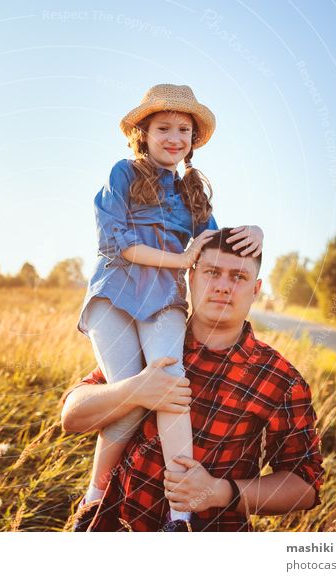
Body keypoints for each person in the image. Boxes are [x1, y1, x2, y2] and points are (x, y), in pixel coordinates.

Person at [75, 84, 263, 528]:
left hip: (164, 301)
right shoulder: (123, 173)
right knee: (133, 398)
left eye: (184, 129)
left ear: (193, 140)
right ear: (144, 132)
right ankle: (95, 498)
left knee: (171, 388)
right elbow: (114, 243)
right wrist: (179, 259)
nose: (174, 137)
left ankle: (179, 516)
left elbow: (216, 244)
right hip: (115, 296)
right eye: (164, 128)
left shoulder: (192, 191)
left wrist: (256, 231)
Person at [63, 229, 324, 531]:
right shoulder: (151, 342)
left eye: (238, 277)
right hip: (113, 525)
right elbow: (72, 415)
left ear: (256, 290)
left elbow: (306, 485)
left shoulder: (280, 378)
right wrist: (133, 391)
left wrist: (219, 491)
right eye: (212, 272)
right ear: (190, 278)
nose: (223, 287)